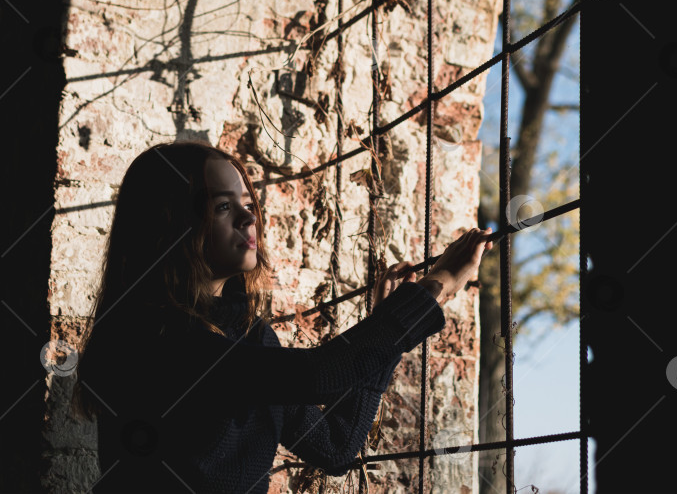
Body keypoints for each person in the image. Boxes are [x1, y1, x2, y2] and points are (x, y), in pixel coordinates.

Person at [71, 140, 494, 493]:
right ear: (173, 225)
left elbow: (335, 447)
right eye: (222, 207)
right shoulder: (159, 339)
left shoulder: (249, 338)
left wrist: (385, 336)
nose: (248, 215)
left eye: (246, 200)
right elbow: (320, 373)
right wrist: (438, 286)